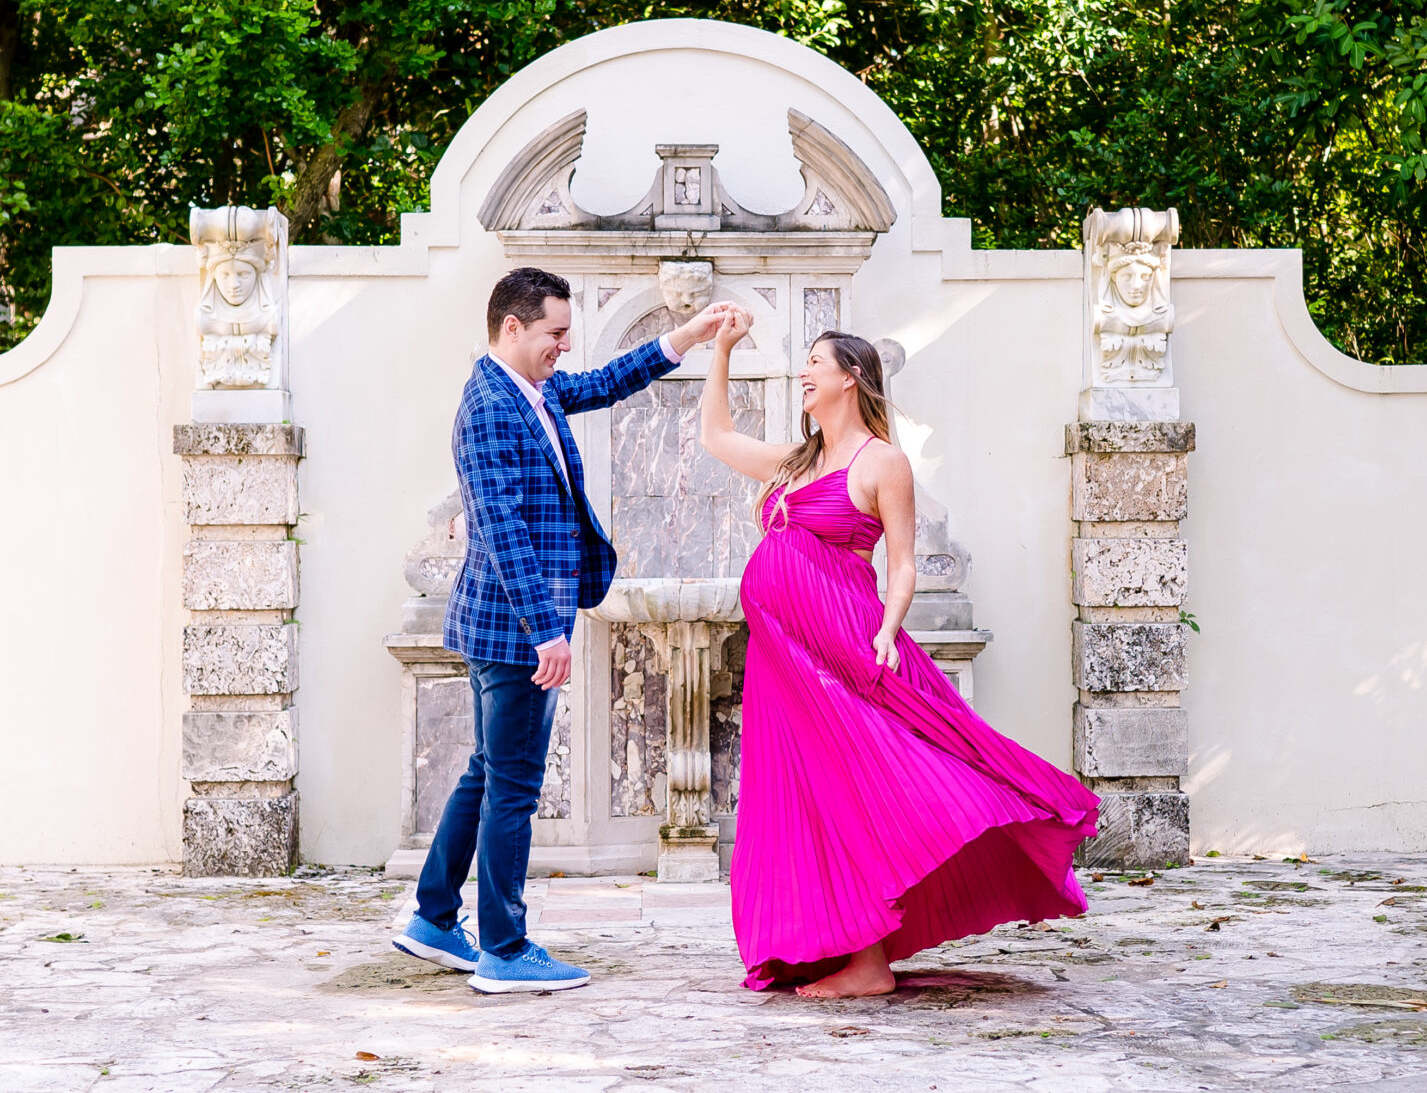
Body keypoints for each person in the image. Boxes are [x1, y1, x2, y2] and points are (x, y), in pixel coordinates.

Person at [698, 309, 1099, 996]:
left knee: (871, 783)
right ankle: (845, 946)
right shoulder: (799, 462)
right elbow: (716, 435)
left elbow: (904, 562)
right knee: (813, 795)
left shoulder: (882, 461)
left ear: (849, 379)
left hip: (844, 646)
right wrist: (721, 352)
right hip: (783, 658)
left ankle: (870, 961)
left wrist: (889, 626)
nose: (803, 373)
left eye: (815, 364)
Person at [393, 266, 739, 994]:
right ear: (511, 327)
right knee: (514, 786)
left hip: (513, 622)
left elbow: (607, 382)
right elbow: (500, 529)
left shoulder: (533, 389)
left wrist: (689, 334)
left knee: (488, 771)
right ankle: (506, 949)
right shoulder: (490, 404)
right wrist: (545, 630)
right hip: (517, 627)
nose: (564, 346)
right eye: (554, 332)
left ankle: (431, 915)